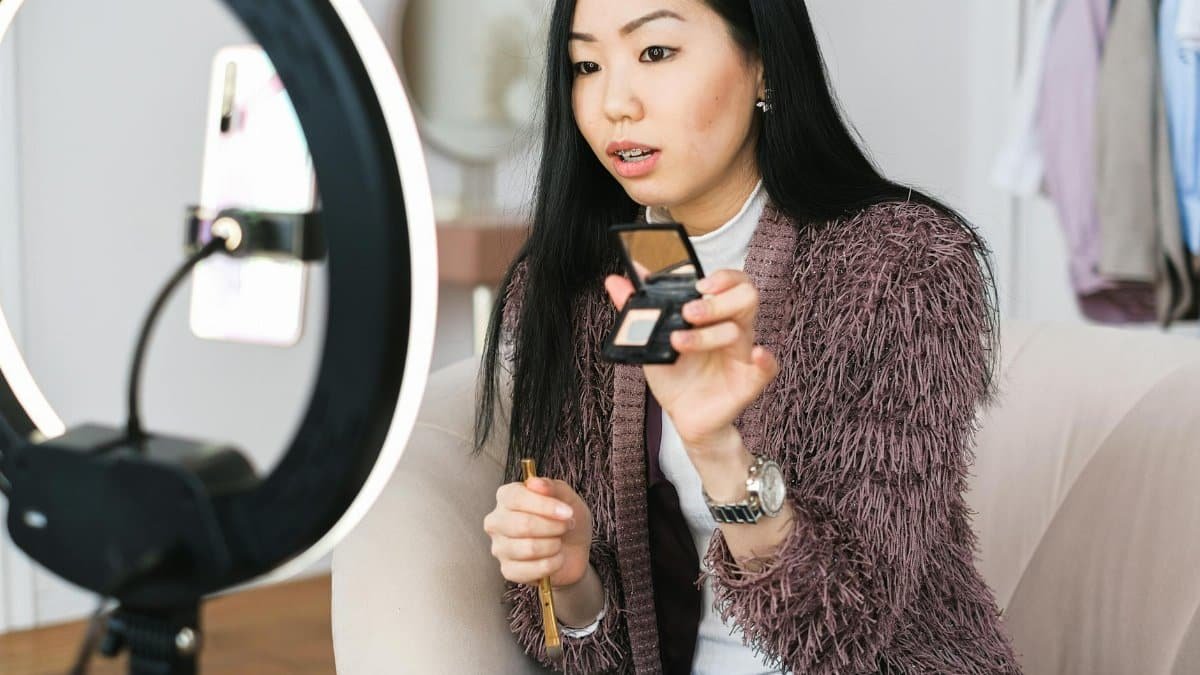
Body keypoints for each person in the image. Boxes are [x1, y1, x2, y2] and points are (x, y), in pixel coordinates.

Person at [476, 1, 1023, 673]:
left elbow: (842, 635)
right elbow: (588, 652)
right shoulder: (571, 288)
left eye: (655, 53)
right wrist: (570, 577)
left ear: (762, 65)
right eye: (586, 65)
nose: (614, 101)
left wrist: (718, 451)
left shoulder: (903, 268)